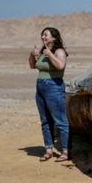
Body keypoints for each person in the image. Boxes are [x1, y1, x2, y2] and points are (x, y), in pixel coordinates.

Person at [28, 27, 71, 162]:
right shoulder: (43, 52)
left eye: (46, 35)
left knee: (60, 120)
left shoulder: (59, 51)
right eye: (42, 35)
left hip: (54, 86)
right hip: (40, 87)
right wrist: (33, 55)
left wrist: (49, 55)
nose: (43, 37)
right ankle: (48, 149)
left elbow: (60, 66)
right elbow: (32, 66)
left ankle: (65, 151)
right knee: (45, 120)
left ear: (54, 37)